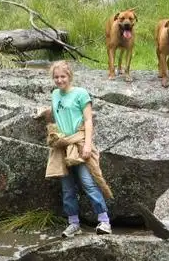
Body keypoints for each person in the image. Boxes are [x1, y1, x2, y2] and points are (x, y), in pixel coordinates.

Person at [33, 60, 113, 237]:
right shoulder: (55, 94)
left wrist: (87, 145)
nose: (60, 80)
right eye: (56, 77)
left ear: (69, 76)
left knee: (88, 183)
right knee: (67, 188)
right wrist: (43, 112)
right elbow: (55, 113)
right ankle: (73, 223)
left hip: (78, 143)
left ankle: (104, 221)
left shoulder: (81, 94)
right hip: (62, 146)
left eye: (63, 76)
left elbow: (88, 120)